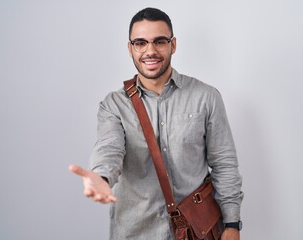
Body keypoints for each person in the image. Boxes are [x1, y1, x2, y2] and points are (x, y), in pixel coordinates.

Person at [69, 7, 244, 240]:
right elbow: (109, 149)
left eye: (159, 41)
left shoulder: (206, 97)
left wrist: (232, 224)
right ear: (130, 48)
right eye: (140, 43)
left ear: (173, 45)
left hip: (199, 231)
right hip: (136, 233)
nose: (150, 51)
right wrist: (101, 178)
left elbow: (224, 163)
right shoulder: (113, 105)